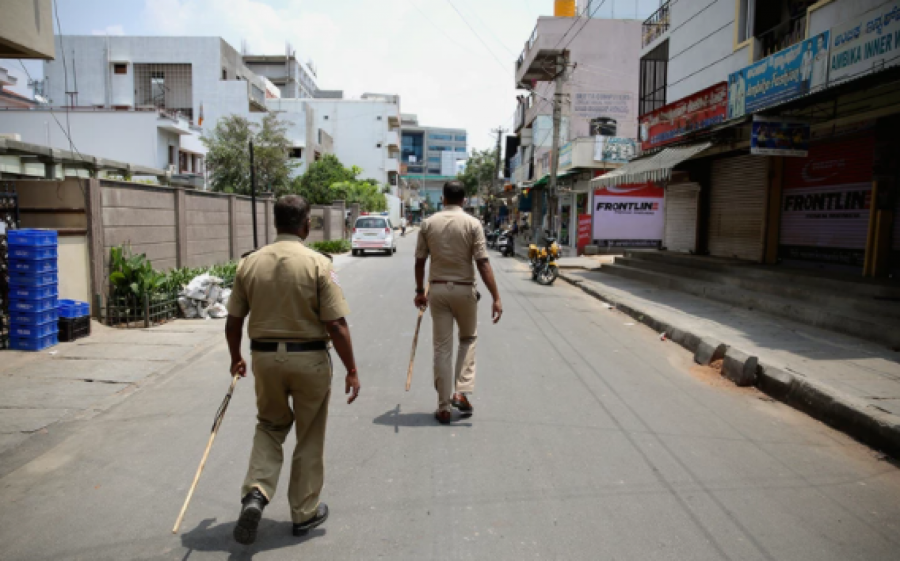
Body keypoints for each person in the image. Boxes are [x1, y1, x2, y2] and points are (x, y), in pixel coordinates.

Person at [225, 195, 361, 545]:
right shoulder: (318, 264)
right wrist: (351, 369)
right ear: (306, 225)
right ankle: (304, 512)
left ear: (275, 224)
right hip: (310, 359)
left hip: (265, 359)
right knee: (310, 432)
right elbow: (336, 324)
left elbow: (234, 320)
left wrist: (235, 358)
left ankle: (256, 492)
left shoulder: (249, 264)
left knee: (269, 425)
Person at [414, 181, 503, 424]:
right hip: (465, 291)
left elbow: (420, 261)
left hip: (438, 290)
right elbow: (483, 262)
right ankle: (459, 391)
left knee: (442, 348)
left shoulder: (428, 223)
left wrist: (420, 291)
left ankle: (443, 407)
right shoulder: (473, 224)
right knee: (468, 339)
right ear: (464, 200)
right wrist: (496, 297)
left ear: (443, 198)